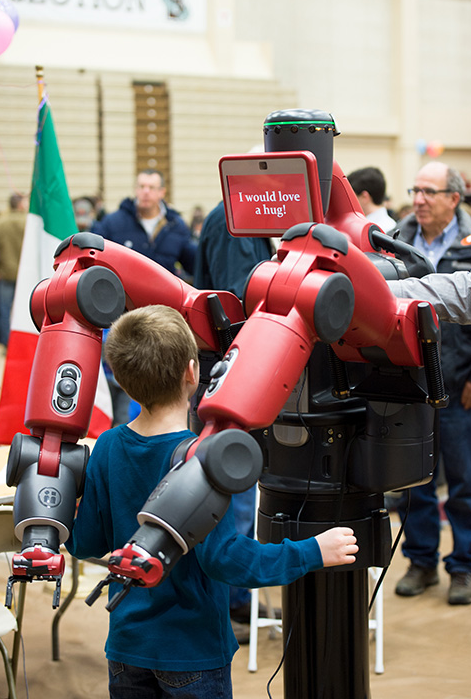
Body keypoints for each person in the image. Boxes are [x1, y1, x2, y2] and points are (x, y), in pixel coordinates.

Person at [66, 305, 358, 699]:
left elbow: (85, 543)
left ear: (119, 378)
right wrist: (312, 551)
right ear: (193, 372)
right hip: (193, 656)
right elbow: (227, 560)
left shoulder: (107, 446)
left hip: (126, 650)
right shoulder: (203, 462)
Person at [389, 161, 471, 606]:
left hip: (463, 384)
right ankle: (421, 560)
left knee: (465, 481)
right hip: (410, 388)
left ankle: (463, 566)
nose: (419, 199)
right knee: (415, 480)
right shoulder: (392, 244)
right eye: (415, 190)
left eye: (429, 192)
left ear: (454, 198)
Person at [193, 200, 273, 636]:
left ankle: (236, 602)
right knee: (229, 498)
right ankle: (223, 608)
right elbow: (239, 306)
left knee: (235, 497)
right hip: (233, 380)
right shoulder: (233, 221)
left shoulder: (245, 221)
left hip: (234, 378)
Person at [91, 169, 197, 278]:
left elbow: (194, 264)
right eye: (141, 187)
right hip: (124, 293)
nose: (146, 192)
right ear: (135, 190)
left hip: (164, 293)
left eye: (151, 188)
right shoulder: (112, 222)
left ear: (162, 192)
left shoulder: (175, 225)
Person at [0, 193, 28, 347]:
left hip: (5, 273)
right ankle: (23, 345)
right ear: (20, 205)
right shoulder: (28, 222)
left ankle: (7, 344)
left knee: (4, 311)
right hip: (26, 274)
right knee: (26, 310)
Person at [347, 166, 396, 233]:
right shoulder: (390, 226)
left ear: (364, 197)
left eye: (351, 196)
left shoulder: (386, 230)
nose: (348, 201)